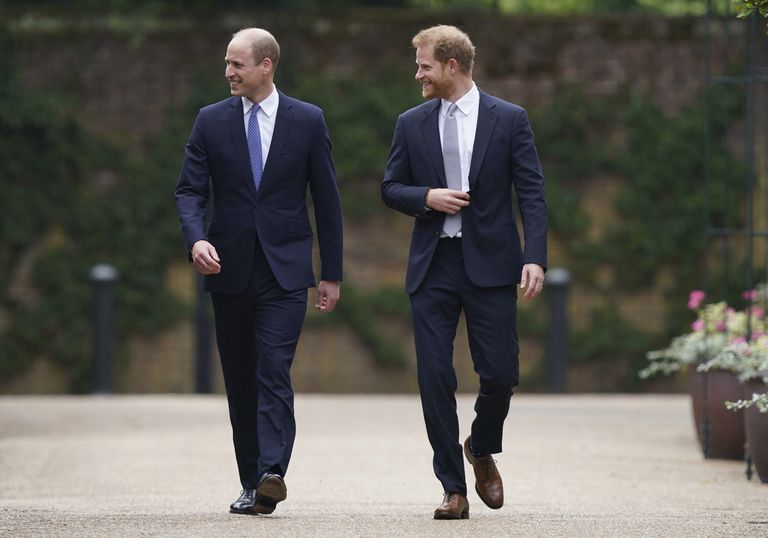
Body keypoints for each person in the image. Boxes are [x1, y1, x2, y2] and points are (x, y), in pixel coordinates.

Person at [381, 25, 547, 520]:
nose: (418, 74)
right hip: (433, 264)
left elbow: (532, 194)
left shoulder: (510, 119)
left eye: (424, 65)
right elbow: (390, 187)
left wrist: (534, 255)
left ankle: (480, 444)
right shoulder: (410, 123)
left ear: (452, 65)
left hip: (492, 264)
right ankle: (453, 488)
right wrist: (425, 197)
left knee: (500, 374)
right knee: (434, 378)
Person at [175, 28, 343, 516]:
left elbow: (327, 201)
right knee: (241, 379)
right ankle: (252, 483)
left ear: (266, 65)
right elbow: (188, 190)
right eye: (227, 63)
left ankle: (273, 471)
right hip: (227, 267)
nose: (228, 71)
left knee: (273, 368)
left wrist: (331, 271)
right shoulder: (210, 121)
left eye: (237, 63)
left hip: (285, 272)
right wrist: (196, 238)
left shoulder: (307, 120)